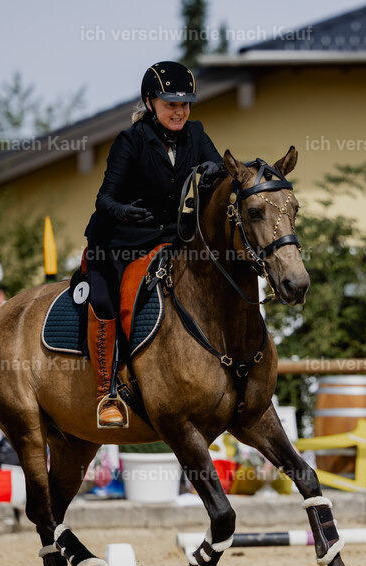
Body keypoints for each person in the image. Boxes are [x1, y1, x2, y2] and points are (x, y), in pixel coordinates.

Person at [83, 60, 224, 427]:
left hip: (168, 237)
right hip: (118, 240)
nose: (179, 111)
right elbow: (105, 199)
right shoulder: (130, 141)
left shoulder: (197, 134)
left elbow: (220, 171)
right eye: (170, 104)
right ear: (151, 102)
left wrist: (215, 172)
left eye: (184, 104)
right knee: (103, 298)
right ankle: (106, 393)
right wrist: (127, 213)